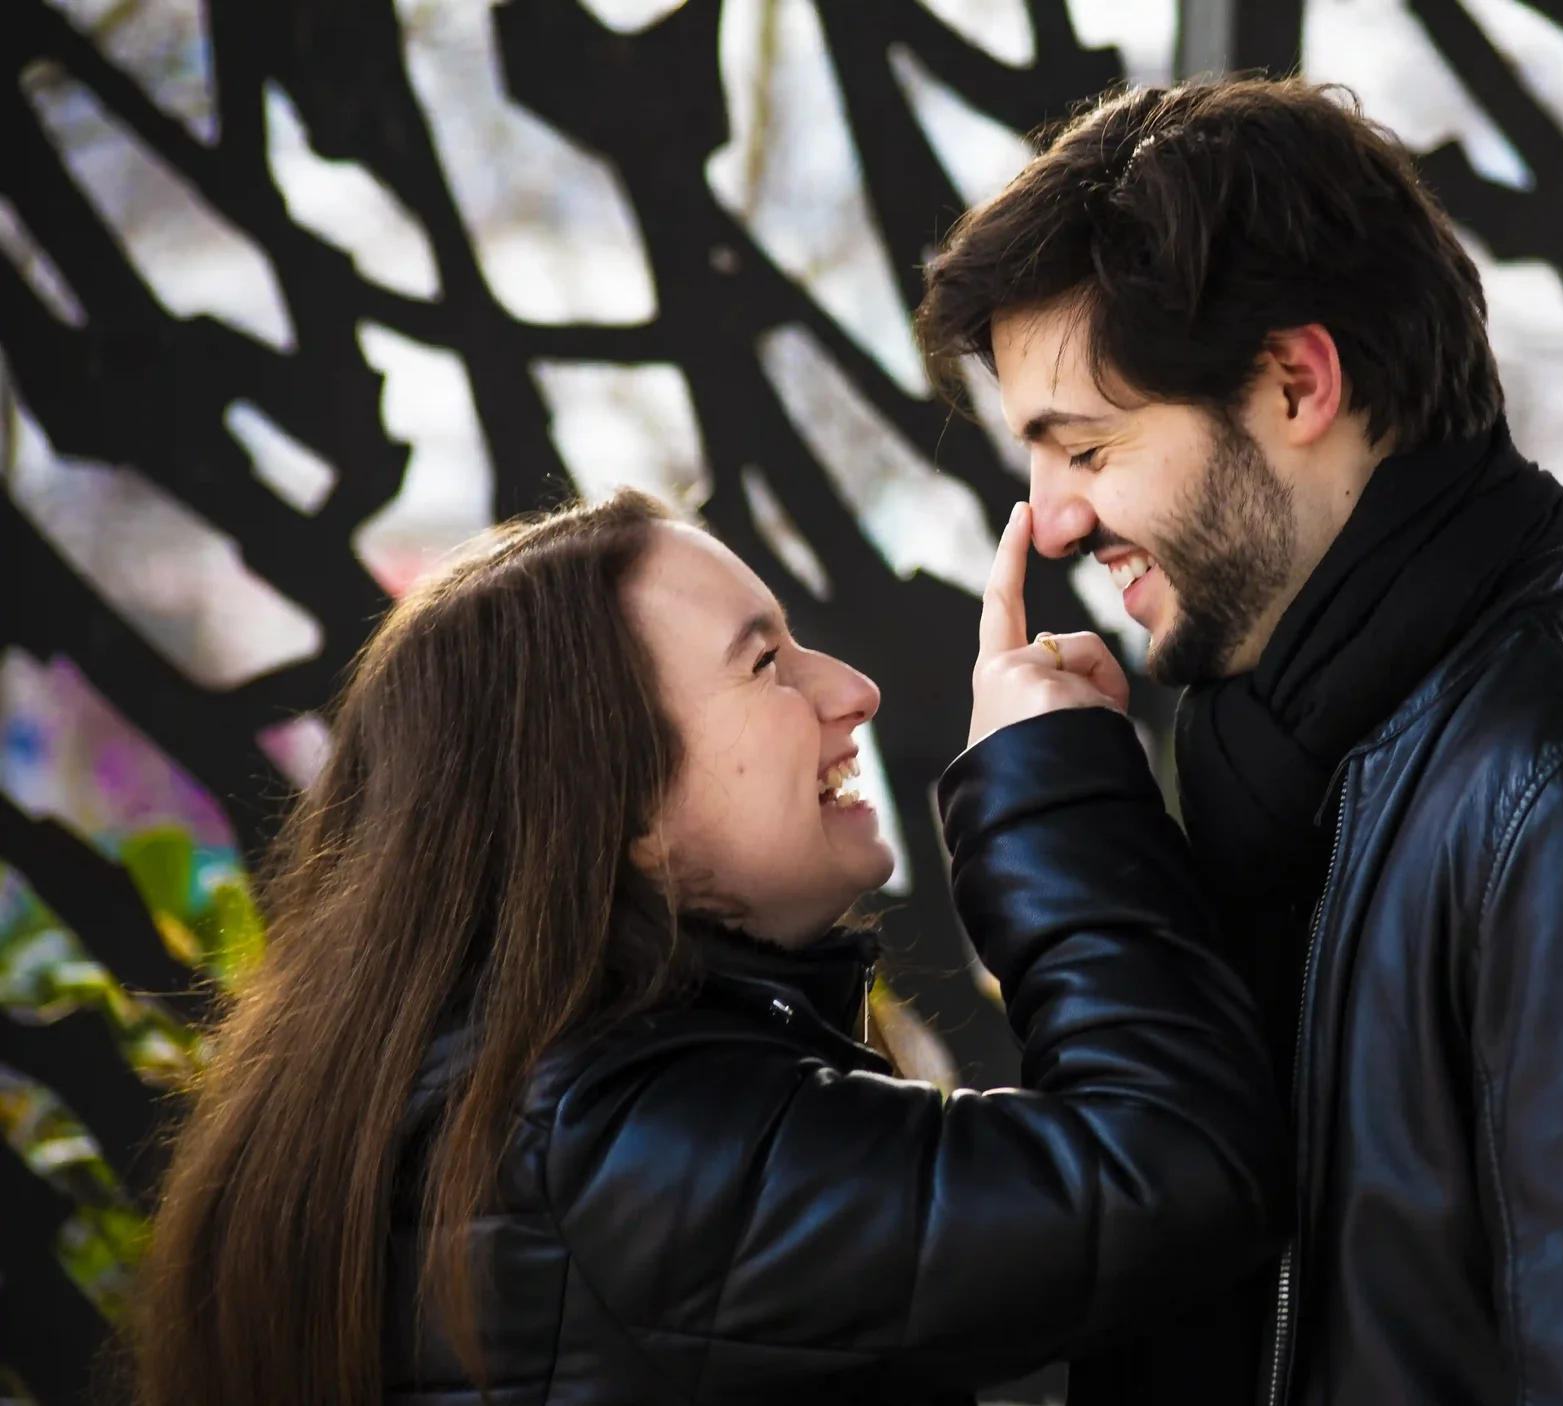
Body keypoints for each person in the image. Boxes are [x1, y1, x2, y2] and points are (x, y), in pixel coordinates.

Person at [917, 78, 1563, 1405]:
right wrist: (1072, 841)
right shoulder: (1293, 777)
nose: (1049, 520)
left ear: (1297, 381)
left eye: (1085, 447)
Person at [128, 489, 1283, 1405]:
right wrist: (1049, 791)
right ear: (613, 803)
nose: (853, 690)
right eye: (765, 661)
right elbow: (1172, 1172)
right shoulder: (616, 1142)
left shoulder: (538, 1107)